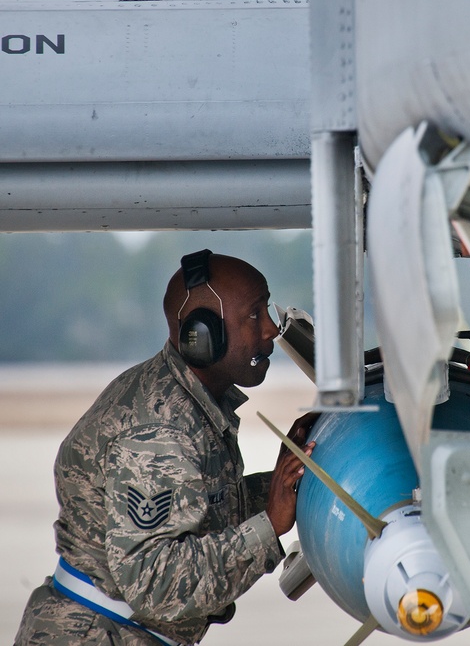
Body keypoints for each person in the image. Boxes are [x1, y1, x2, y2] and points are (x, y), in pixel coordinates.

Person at [15, 249, 317, 645]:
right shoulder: (158, 432)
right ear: (203, 336)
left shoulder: (185, 398)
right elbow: (155, 584)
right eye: (254, 315)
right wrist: (270, 526)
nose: (271, 330)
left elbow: (197, 511)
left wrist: (281, 485)